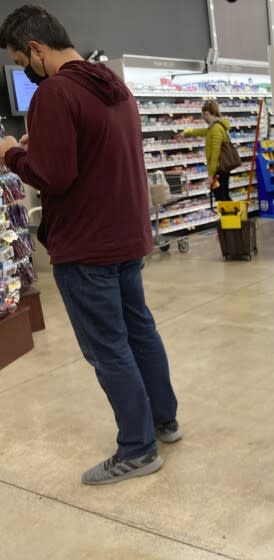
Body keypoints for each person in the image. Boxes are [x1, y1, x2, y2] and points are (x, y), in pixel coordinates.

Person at [0, 5, 181, 485]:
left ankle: (137, 449)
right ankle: (164, 421)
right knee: (140, 333)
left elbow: (54, 176)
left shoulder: (56, 93)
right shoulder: (112, 86)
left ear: (36, 50)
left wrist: (13, 153)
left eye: (21, 60)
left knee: (108, 348)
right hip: (125, 237)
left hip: (85, 245)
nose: (24, 70)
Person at [180, 100, 232, 202]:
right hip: (222, 169)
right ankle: (233, 217)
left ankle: (231, 217)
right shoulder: (215, 126)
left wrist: (211, 175)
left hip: (218, 170)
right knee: (224, 196)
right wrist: (186, 132)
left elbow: (215, 154)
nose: (203, 118)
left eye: (203, 116)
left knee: (221, 198)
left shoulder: (216, 128)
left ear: (207, 114)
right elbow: (205, 131)